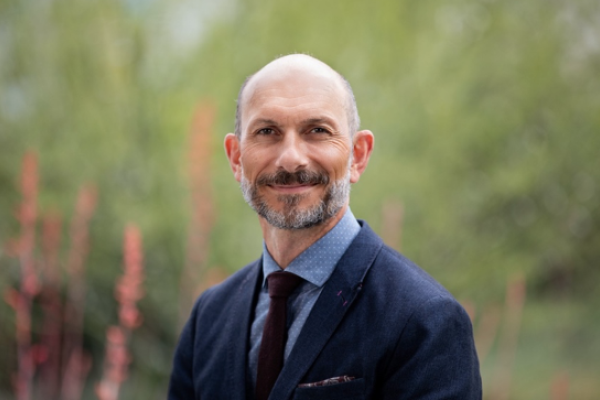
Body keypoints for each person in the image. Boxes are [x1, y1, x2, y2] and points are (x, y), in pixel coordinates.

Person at [168, 54, 482, 399]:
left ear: (358, 155)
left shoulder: (424, 320)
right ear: (236, 158)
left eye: (317, 131)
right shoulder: (209, 317)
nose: (291, 158)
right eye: (267, 131)